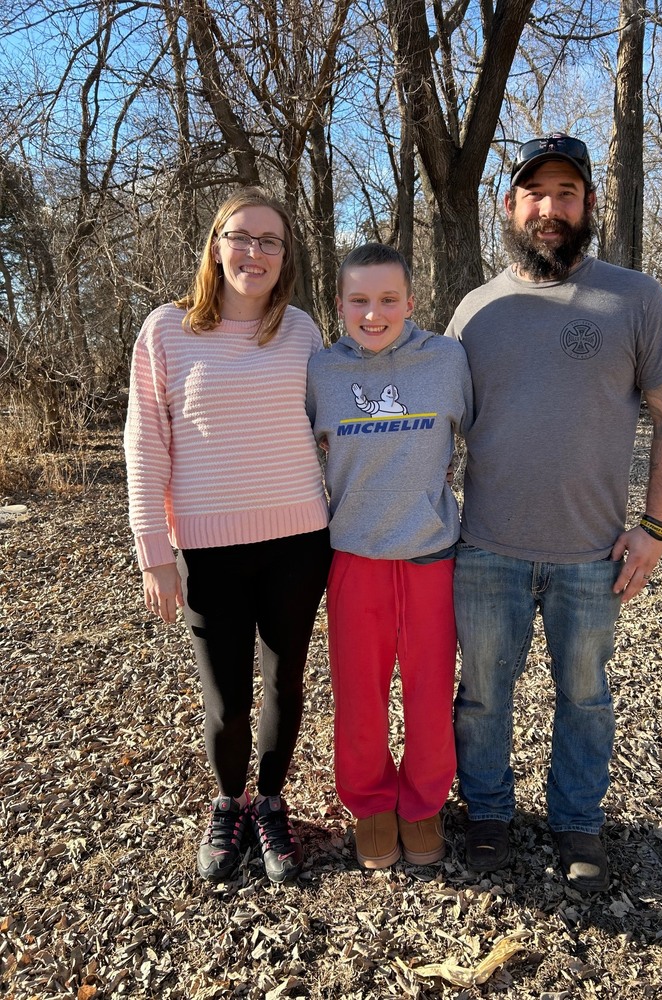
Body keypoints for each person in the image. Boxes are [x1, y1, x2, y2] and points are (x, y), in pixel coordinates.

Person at [447, 134, 662, 892]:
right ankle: (487, 812)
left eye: (566, 193)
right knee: (483, 692)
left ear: (588, 204)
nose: (550, 209)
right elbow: (433, 429)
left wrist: (653, 531)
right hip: (486, 547)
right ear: (509, 205)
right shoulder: (475, 312)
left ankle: (576, 821)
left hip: (592, 553)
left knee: (585, 694)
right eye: (535, 193)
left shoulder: (635, 298)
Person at [124, 188, 331, 885]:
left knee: (285, 681)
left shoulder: (300, 330)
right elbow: (145, 448)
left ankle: (269, 803)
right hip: (208, 549)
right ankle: (228, 803)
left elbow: (333, 430)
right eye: (242, 236)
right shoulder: (165, 331)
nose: (255, 252)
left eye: (271, 241)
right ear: (215, 245)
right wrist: (155, 552)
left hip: (300, 541)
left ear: (286, 256)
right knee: (225, 698)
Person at [306, 243, 472, 869]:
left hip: (431, 556)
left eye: (388, 300)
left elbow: (477, 439)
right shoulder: (321, 371)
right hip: (355, 557)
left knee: (430, 689)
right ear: (340, 303)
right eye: (359, 301)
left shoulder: (447, 360)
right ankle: (372, 801)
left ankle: (424, 801)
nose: (373, 314)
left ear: (410, 300)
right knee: (359, 692)